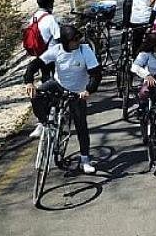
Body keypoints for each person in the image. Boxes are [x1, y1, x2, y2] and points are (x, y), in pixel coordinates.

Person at [24, 25, 102, 174]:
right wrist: (29, 82)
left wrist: (88, 90)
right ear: (66, 42)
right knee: (36, 95)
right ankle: (43, 123)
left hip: (78, 92)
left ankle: (85, 159)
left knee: (81, 125)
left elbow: (96, 74)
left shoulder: (85, 50)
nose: (78, 42)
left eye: (78, 38)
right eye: (74, 40)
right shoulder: (57, 50)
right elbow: (35, 64)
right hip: (59, 85)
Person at [28, 0, 61, 81]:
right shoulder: (50, 19)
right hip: (52, 52)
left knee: (45, 75)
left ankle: (46, 87)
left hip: (39, 52)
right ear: (49, 4)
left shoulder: (33, 18)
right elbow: (58, 37)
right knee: (57, 76)